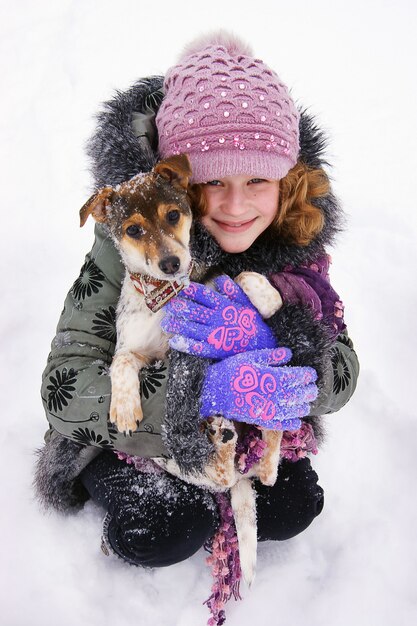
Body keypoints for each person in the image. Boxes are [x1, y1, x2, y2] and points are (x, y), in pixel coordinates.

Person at [35, 32, 359, 571]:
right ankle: (129, 488)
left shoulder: (292, 247)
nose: (236, 205)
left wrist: (292, 360)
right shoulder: (132, 245)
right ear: (179, 183)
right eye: (213, 181)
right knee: (164, 529)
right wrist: (202, 392)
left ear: (287, 180)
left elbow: (342, 368)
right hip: (132, 428)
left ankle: (220, 472)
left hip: (243, 430)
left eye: (258, 177)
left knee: (292, 507)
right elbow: (64, 388)